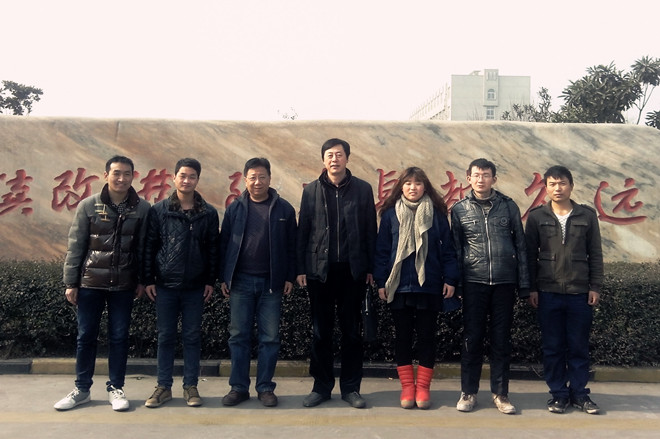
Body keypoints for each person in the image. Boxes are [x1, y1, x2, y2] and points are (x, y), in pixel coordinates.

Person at [55, 155, 150, 412]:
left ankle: (116, 388)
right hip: (90, 283)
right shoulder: (88, 205)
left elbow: (144, 249)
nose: (121, 178)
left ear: (133, 176)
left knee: (119, 337)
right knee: (86, 336)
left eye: (127, 174)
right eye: (116, 173)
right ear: (106, 175)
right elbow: (76, 245)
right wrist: (71, 282)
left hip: (124, 285)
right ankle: (82, 389)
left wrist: (142, 280)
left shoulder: (142, 208)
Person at [296, 138, 377, 409]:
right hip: (320, 272)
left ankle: (351, 388)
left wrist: (370, 268)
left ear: (347, 158)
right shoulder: (311, 191)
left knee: (352, 332)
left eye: (339, 154)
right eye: (329, 155)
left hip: (352, 272)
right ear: (323, 160)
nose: (334, 159)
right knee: (321, 332)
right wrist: (301, 268)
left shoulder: (362, 189)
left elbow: (370, 230)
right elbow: (304, 231)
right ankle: (321, 387)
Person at [373, 167, 459, 409]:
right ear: (401, 187)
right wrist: (381, 281)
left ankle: (422, 387)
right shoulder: (391, 215)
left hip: (428, 285)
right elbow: (382, 251)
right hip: (399, 286)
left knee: (426, 338)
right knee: (402, 338)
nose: (413, 187)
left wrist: (450, 279)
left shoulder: (437, 215)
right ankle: (407, 387)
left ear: (425, 187)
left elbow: (448, 250)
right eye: (408, 183)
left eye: (418, 183)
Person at [451, 158, 529, 415]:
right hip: (474, 281)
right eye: (476, 175)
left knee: (501, 340)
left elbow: (521, 246)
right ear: (468, 178)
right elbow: (456, 249)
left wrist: (524, 284)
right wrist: (457, 284)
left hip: (504, 282)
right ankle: (468, 392)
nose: (481, 179)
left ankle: (501, 393)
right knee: (471, 339)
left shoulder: (508, 206)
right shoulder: (459, 209)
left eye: (486, 175)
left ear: (494, 179)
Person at [218, 157, 297, 408]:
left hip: (271, 283)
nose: (257, 182)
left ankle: (265, 388)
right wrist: (224, 277)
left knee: (270, 338)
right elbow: (224, 244)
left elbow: (292, 246)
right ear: (245, 180)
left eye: (262, 177)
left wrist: (289, 276)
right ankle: (238, 387)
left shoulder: (284, 209)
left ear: (270, 179)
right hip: (241, 282)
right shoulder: (235, 208)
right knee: (238, 336)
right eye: (252, 177)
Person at [525, 165, 603, 415]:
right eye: (552, 184)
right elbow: (529, 256)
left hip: (579, 293)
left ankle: (580, 394)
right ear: (546, 188)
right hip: (548, 292)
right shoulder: (537, 217)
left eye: (562, 183)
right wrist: (531, 288)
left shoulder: (586, 216)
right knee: (553, 347)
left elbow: (595, 254)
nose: (557, 188)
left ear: (571, 186)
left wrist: (595, 286)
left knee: (578, 346)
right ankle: (558, 394)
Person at [142, 158, 219, 408]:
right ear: (174, 178)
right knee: (165, 337)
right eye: (182, 176)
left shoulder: (208, 213)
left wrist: (210, 280)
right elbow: (150, 246)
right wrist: (148, 279)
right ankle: (163, 386)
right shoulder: (159, 210)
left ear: (198, 180)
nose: (187, 180)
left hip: (195, 287)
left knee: (192, 337)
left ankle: (190, 386)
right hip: (165, 286)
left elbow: (213, 250)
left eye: (192, 176)